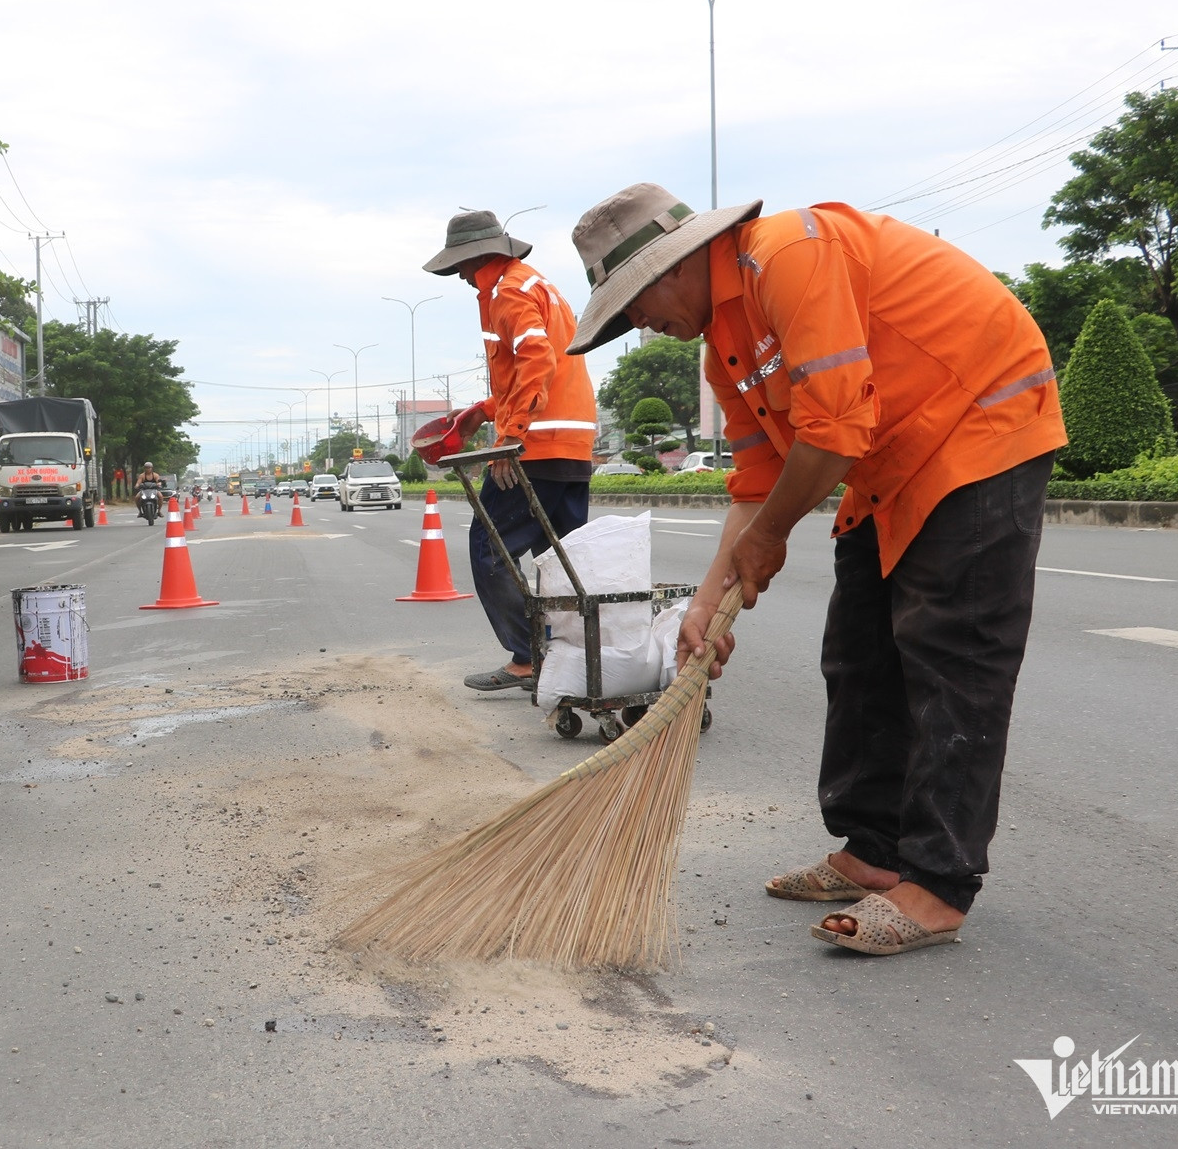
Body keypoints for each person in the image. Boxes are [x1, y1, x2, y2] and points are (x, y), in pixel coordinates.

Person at [565, 182, 1066, 955]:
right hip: (888, 457)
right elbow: (758, 481)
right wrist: (707, 601)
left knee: (952, 654)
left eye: (632, 304)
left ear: (674, 265)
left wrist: (767, 539)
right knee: (859, 651)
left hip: (979, 424)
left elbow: (831, 433)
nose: (638, 325)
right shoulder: (723, 349)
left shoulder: (788, 257)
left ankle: (937, 884)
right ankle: (874, 850)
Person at [420, 210, 599, 692]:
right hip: (571, 445)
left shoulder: (508, 292)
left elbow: (536, 361)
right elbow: (535, 372)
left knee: (490, 547)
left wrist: (510, 436)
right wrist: (482, 412)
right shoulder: (538, 285)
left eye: (460, 265)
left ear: (477, 257)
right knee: (560, 562)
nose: (460, 276)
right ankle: (573, 658)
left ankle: (529, 656)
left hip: (534, 448)